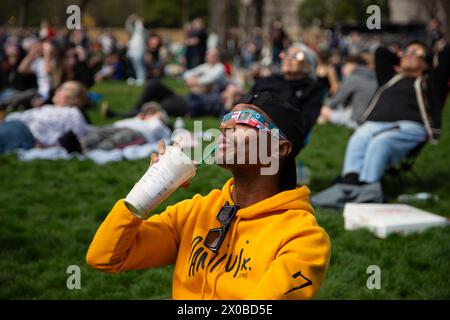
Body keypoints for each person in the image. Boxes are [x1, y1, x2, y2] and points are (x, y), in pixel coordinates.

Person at [86, 91, 331, 299]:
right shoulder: (195, 211)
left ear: (280, 147)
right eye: (226, 120)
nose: (225, 128)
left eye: (245, 121)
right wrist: (147, 191)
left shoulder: (303, 239)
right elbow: (105, 258)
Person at [312, 40, 450, 208]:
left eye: (416, 53)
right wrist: (400, 56)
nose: (409, 55)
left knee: (381, 142)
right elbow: (381, 52)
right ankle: (349, 183)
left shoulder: (431, 81)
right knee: (359, 137)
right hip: (376, 123)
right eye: (406, 52)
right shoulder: (390, 78)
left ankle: (369, 188)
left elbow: (446, 56)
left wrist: (436, 51)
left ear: (426, 62)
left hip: (411, 126)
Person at [105, 48, 226, 118]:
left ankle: (120, 116)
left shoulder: (220, 68)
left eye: (212, 55)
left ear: (217, 57)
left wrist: (196, 81)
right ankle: (134, 110)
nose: (208, 57)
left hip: (192, 104)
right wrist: (195, 81)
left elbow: (210, 79)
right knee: (154, 84)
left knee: (155, 108)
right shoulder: (205, 67)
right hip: (186, 97)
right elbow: (187, 74)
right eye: (208, 54)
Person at [249, 43, 324, 153]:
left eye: (296, 56)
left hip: (283, 138)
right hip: (250, 126)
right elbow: (247, 100)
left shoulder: (312, 89)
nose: (288, 59)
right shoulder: (268, 80)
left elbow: (304, 123)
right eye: (287, 54)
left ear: (308, 65)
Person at [0, 81, 89, 153]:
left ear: (75, 99)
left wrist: (47, 146)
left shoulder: (73, 113)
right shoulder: (48, 108)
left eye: (64, 89)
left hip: (27, 135)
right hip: (12, 125)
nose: (58, 90)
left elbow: (75, 139)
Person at [82, 102, 171, 151]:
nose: (149, 113)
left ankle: (90, 151)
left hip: (138, 133)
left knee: (115, 140)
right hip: (118, 127)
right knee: (99, 133)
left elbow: (157, 129)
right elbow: (119, 123)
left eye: (153, 111)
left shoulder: (159, 125)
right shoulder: (137, 118)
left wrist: (156, 118)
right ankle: (81, 145)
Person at [319, 55, 377, 128]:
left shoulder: (354, 77)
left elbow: (335, 101)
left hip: (357, 121)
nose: (343, 68)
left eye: (346, 65)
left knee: (322, 110)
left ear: (353, 65)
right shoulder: (373, 76)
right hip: (371, 120)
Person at [125, 14, 147, 85]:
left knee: (139, 65)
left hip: (139, 50)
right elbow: (128, 26)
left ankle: (141, 79)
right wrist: (130, 19)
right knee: (134, 66)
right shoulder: (134, 32)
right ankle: (137, 78)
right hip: (133, 50)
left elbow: (141, 24)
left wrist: (137, 19)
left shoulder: (143, 31)